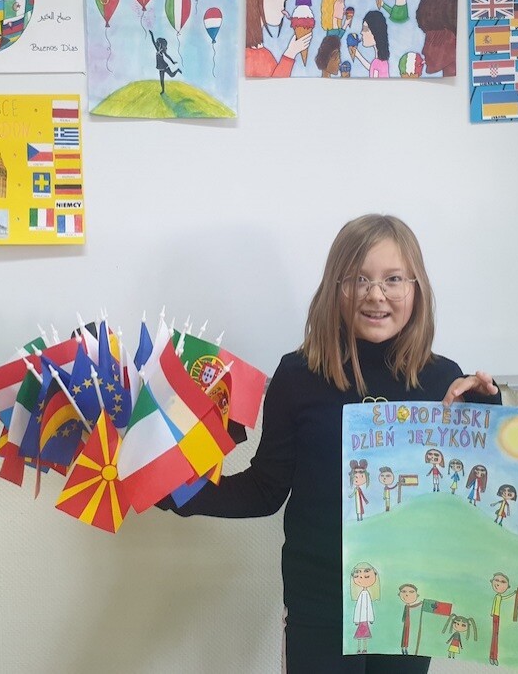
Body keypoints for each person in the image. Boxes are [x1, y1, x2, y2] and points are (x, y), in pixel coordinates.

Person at [163, 213, 500, 673]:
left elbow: (471, 499)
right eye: (359, 279)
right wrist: (175, 490)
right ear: (334, 289)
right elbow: (264, 490)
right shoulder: (298, 376)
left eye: (393, 279)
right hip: (320, 607)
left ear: (416, 289)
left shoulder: (442, 380)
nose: (376, 294)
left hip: (406, 602)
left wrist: (488, 412)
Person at [245, 0, 310, 77]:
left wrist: (292, 51)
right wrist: (290, 53)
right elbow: (274, 86)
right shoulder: (247, 58)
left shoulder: (264, 54)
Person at [353, 11, 390, 78]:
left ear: (375, 32)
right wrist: (358, 55)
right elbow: (372, 68)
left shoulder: (379, 63)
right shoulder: (379, 62)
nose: (361, 32)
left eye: (365, 29)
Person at [148, 30, 181, 94]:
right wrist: (151, 34)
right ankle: (163, 90)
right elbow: (153, 42)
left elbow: (167, 56)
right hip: (160, 68)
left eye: (158, 43)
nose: (156, 43)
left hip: (165, 67)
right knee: (161, 80)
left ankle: (177, 70)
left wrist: (172, 62)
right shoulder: (157, 49)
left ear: (160, 44)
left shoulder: (162, 50)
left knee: (171, 75)